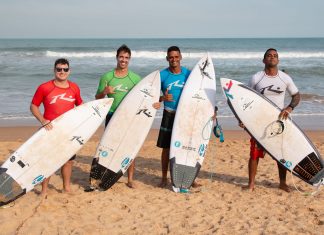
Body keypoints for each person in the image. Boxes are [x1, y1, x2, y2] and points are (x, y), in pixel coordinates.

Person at [95, 44, 160, 188]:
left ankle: (130, 179)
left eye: (126, 58)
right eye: (121, 57)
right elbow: (98, 98)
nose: (123, 60)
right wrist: (104, 91)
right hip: (112, 116)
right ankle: (104, 175)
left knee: (130, 147)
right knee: (108, 146)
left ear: (129, 59)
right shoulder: (107, 77)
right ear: (117, 58)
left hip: (130, 117)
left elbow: (146, 97)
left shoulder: (135, 79)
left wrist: (155, 103)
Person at [241, 48, 301, 192]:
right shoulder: (257, 77)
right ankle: (251, 184)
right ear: (264, 60)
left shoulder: (285, 78)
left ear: (278, 60)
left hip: (278, 122)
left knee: (281, 154)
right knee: (254, 154)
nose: (272, 58)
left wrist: (289, 108)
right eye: (269, 56)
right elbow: (245, 98)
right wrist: (243, 117)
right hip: (258, 121)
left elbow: (296, 95)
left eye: (275, 56)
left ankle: (282, 183)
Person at [30, 58, 83, 197]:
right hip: (50, 129)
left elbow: (81, 107)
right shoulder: (45, 87)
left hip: (68, 130)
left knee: (68, 160)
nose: (62, 72)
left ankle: (66, 188)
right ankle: (44, 190)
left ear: (69, 71)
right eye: (59, 69)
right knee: (47, 160)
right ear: (54, 70)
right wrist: (42, 120)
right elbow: (33, 106)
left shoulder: (74, 88)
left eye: (65, 69)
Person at [157, 46, 202, 188]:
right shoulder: (162, 75)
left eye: (176, 57)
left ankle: (190, 178)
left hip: (185, 115)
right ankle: (164, 178)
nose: (174, 59)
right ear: (167, 59)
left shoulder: (189, 74)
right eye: (171, 57)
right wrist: (162, 97)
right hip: (169, 114)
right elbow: (152, 97)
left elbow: (199, 93)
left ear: (181, 57)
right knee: (166, 149)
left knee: (187, 147)